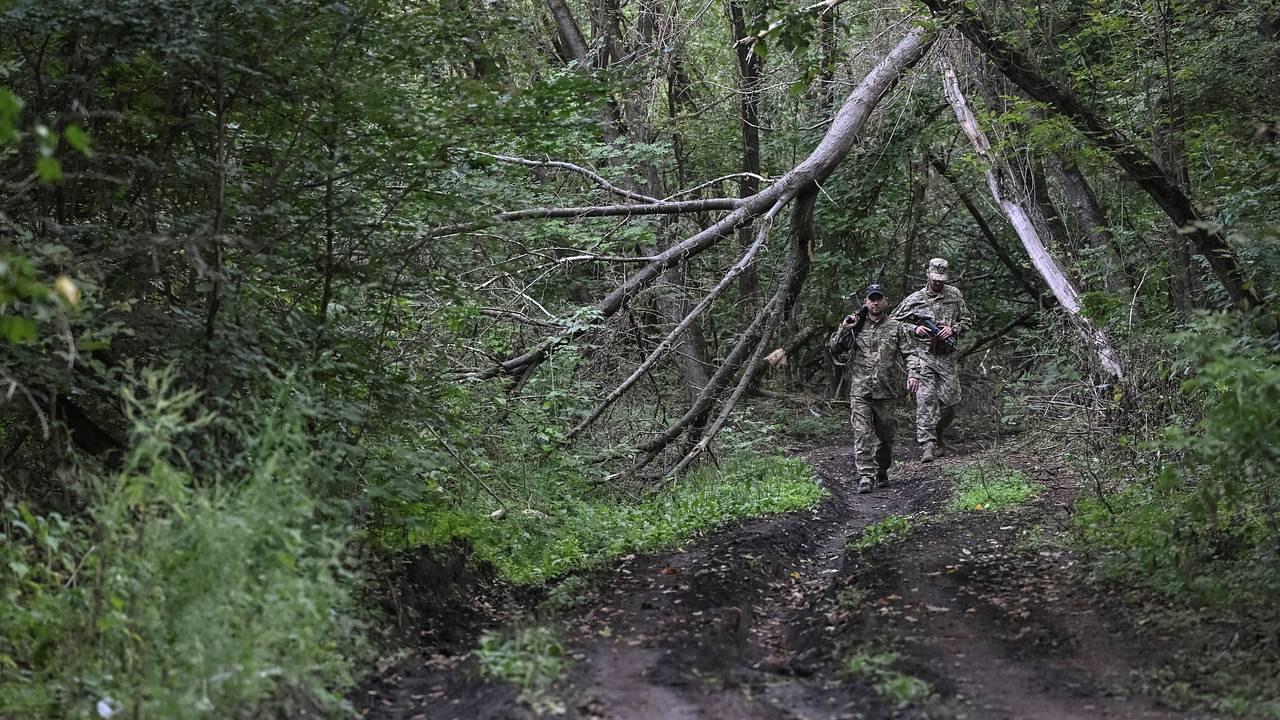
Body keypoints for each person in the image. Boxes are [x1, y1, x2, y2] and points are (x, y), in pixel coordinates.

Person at [828, 284, 919, 494]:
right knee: (862, 434)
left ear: (885, 301)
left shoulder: (896, 327)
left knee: (886, 437)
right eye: (871, 299)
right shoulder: (856, 324)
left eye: (879, 299)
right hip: (861, 390)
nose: (875, 303)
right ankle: (865, 477)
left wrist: (913, 373)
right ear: (866, 301)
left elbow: (910, 353)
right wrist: (844, 328)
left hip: (886, 392)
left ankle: (881, 470)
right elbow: (835, 348)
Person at [891, 258, 971, 462]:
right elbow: (892, 322)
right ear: (927, 274)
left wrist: (953, 328)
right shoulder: (914, 299)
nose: (938, 283)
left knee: (951, 402)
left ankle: (937, 433)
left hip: (947, 358)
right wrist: (914, 329)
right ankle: (927, 445)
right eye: (935, 279)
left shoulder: (954, 295)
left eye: (941, 280)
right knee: (925, 400)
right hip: (924, 357)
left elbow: (967, 321)